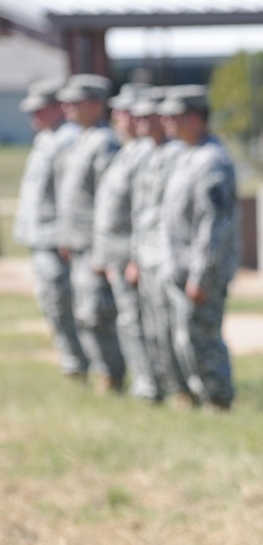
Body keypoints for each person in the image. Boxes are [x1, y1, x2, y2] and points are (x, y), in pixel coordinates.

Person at [159, 85, 241, 410]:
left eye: (173, 116)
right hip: (179, 266)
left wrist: (201, 275)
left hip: (200, 272)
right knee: (184, 339)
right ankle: (198, 397)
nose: (165, 122)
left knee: (202, 339)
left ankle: (219, 402)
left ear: (195, 119)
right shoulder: (187, 156)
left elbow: (214, 226)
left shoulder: (212, 162)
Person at [13, 77, 88, 379]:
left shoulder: (68, 139)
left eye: (41, 109)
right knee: (51, 302)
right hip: (41, 237)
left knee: (64, 303)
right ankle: (73, 362)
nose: (34, 116)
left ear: (59, 107)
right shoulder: (46, 139)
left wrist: (66, 236)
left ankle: (80, 364)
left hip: (57, 241)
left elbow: (70, 197)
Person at [55, 73, 125, 394]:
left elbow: (107, 203)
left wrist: (103, 251)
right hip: (79, 245)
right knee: (84, 312)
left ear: (96, 104)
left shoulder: (104, 143)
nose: (67, 107)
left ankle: (112, 376)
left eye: (75, 101)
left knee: (98, 313)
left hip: (96, 248)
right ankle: (102, 372)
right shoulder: (80, 139)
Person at [92, 82, 160, 401]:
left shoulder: (146, 155)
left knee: (138, 322)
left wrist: (135, 257)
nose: (117, 116)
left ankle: (150, 385)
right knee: (128, 321)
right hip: (116, 254)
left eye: (125, 111)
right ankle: (142, 381)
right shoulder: (127, 151)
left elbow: (142, 214)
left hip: (132, 256)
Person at [127, 88, 192, 406]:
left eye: (147, 116)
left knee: (176, 331)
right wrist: (136, 256)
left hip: (169, 258)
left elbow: (175, 216)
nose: (138, 121)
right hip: (148, 255)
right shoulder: (148, 154)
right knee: (154, 330)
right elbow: (142, 214)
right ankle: (171, 388)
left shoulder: (179, 155)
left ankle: (189, 392)